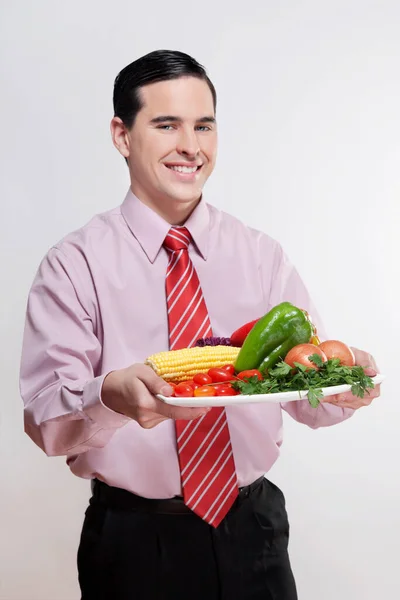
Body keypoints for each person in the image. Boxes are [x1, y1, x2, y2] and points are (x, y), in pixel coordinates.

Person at [19, 50, 380, 600]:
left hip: (253, 528)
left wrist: (343, 385)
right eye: (167, 125)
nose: (191, 145)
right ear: (122, 135)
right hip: (135, 540)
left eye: (203, 125)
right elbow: (46, 420)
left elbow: (304, 396)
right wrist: (108, 396)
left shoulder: (261, 255)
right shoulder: (74, 265)